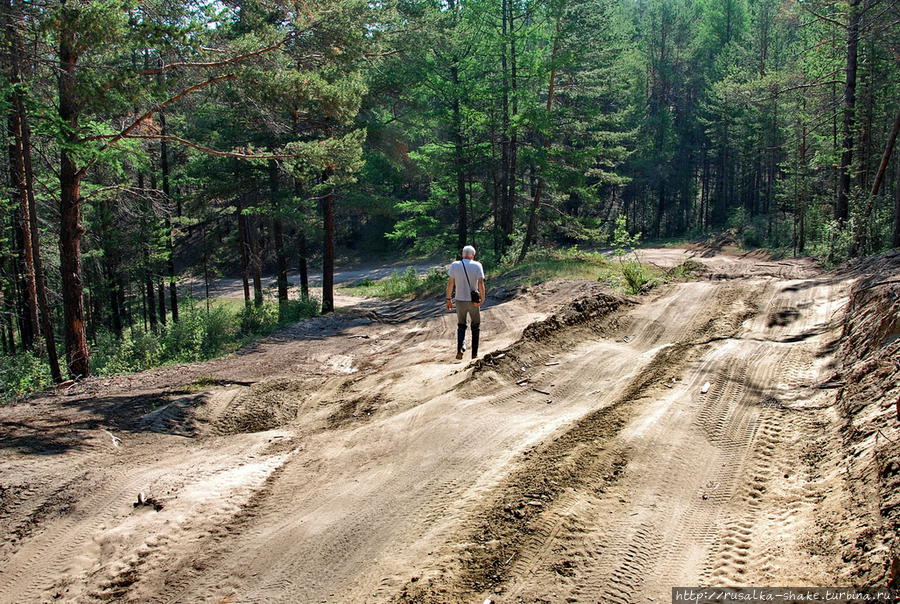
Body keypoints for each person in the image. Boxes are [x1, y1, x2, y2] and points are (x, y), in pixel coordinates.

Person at [446, 245, 486, 360]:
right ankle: (474, 354)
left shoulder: (454, 265)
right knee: (475, 326)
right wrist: (482, 299)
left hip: (459, 300)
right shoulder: (477, 265)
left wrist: (448, 299)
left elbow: (450, 284)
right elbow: (481, 284)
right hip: (473, 301)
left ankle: (459, 348)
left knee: (461, 325)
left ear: (462, 254)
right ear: (473, 255)